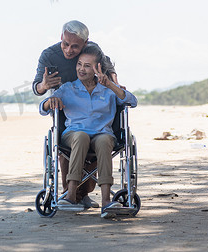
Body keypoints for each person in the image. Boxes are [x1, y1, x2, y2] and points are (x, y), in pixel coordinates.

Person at [39, 45, 137, 218]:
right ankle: (70, 196)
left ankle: (107, 201)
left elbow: (132, 101)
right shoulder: (68, 88)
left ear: (98, 68)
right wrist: (51, 100)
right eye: (79, 64)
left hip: (102, 134)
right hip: (73, 135)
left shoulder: (108, 89)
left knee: (105, 140)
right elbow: (42, 108)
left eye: (86, 66)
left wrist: (111, 85)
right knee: (81, 136)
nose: (81, 69)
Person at [33, 20, 121, 209]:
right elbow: (38, 89)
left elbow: (109, 69)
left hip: (96, 102)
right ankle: (70, 193)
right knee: (74, 143)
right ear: (61, 37)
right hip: (66, 104)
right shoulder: (49, 55)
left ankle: (85, 194)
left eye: (75, 47)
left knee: (98, 141)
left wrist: (113, 85)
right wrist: (45, 86)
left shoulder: (92, 50)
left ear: (85, 43)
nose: (69, 50)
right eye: (65, 44)